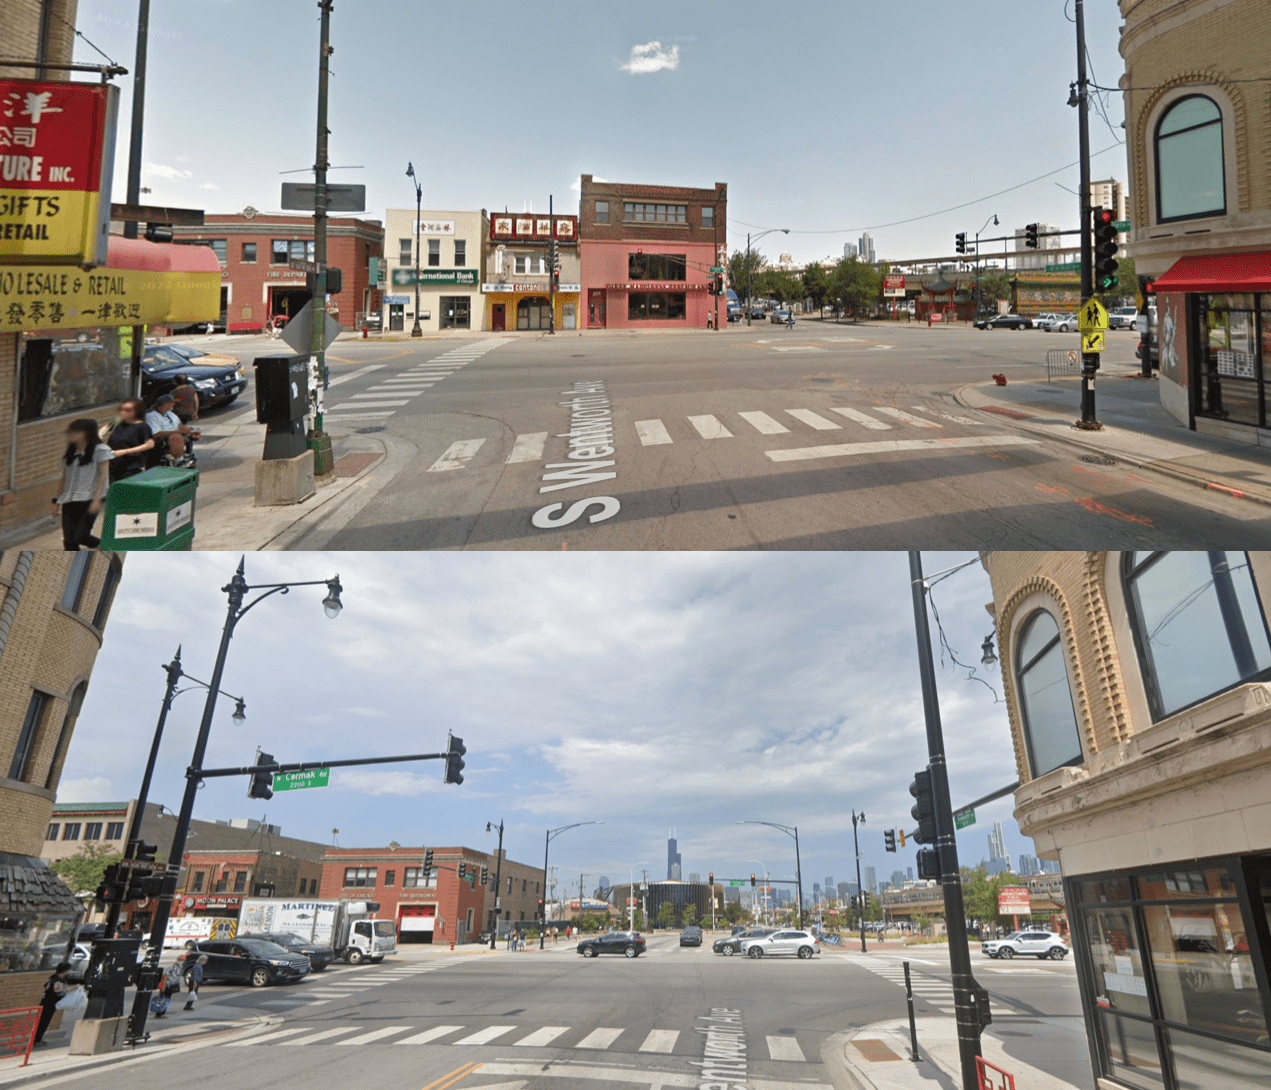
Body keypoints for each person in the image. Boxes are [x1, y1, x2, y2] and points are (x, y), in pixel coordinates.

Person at [52, 419, 111, 550]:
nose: (70, 434)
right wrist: (56, 502)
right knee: (69, 541)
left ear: (86, 433)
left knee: (81, 536)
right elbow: (64, 478)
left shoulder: (101, 450)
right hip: (70, 499)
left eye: (75, 431)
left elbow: (102, 476)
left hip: (90, 498)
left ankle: (106, 547)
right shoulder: (70, 452)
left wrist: (96, 501)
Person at [106, 399, 154, 482]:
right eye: (121, 409)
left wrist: (124, 451)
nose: (122, 412)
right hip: (114, 464)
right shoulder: (117, 422)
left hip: (132, 465)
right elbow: (105, 431)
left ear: (136, 411)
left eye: (128, 410)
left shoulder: (142, 426)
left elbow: (150, 444)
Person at [144, 393, 199, 464]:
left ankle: (187, 455)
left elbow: (179, 424)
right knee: (176, 436)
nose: (173, 405)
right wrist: (177, 431)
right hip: (163, 438)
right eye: (171, 403)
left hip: (176, 433)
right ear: (164, 404)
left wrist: (188, 430)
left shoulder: (170, 413)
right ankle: (179, 462)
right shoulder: (151, 416)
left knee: (193, 433)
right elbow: (156, 434)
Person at [33, 962, 70, 1045]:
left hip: (45, 1002)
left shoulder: (53, 978)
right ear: (64, 971)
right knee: (43, 1023)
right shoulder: (58, 981)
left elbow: (46, 986)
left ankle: (37, 1039)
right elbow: (58, 993)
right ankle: (37, 1040)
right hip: (50, 1004)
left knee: (41, 1022)